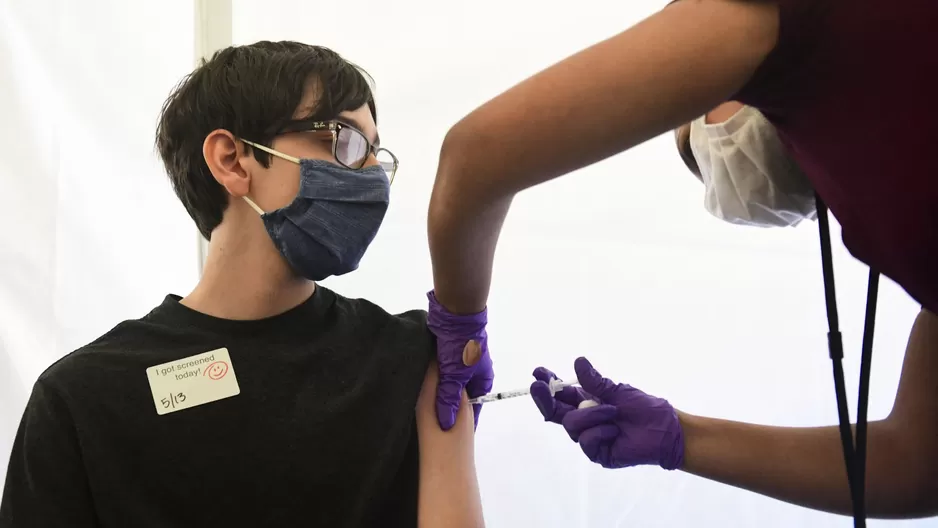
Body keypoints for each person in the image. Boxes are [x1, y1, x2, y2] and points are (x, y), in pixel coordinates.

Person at [425, 0, 938, 520]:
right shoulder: (903, 221)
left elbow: (476, 156)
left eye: (695, 139)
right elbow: (915, 467)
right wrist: (679, 436)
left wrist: (459, 326)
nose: (715, 169)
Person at [0, 41, 484, 528]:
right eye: (344, 139)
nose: (371, 175)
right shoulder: (84, 399)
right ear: (231, 159)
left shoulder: (412, 360)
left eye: (375, 152)